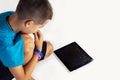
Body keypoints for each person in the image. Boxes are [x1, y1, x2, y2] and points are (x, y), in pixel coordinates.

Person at [0, 0, 53, 80]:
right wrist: (38, 51)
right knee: (32, 46)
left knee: (48, 47)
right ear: (28, 23)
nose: (37, 30)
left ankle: (21, 69)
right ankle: (22, 72)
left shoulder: (10, 15)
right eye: (39, 27)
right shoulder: (8, 47)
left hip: (3, 54)